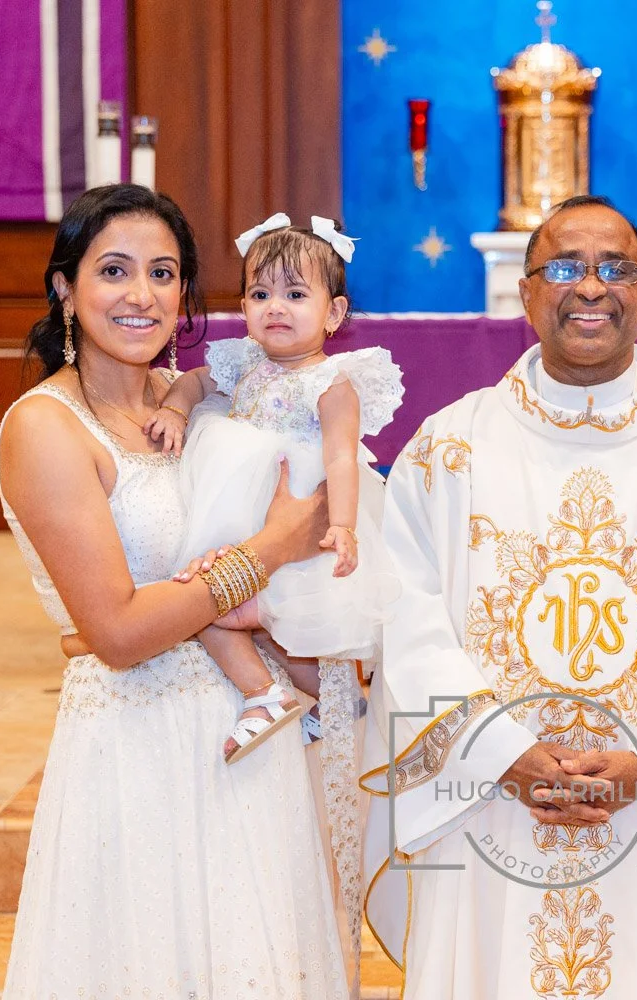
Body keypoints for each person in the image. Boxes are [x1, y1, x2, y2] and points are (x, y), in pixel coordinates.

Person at [359, 195, 637, 1000]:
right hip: (487, 803)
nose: (590, 288)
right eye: (564, 267)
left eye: (614, 268)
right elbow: (403, 616)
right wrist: (499, 753)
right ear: (526, 292)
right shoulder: (447, 452)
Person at [0, 184, 348, 998]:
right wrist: (267, 551)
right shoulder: (45, 428)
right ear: (65, 286)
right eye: (114, 270)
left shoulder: (205, 400)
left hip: (249, 731)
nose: (141, 295)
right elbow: (117, 635)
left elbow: (303, 522)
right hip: (136, 743)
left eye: (163, 273)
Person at [145, 212, 402, 966]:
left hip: (303, 535)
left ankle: (292, 693)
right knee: (201, 604)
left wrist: (345, 526)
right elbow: (191, 380)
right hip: (240, 521)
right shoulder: (238, 365)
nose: (274, 308)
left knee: (235, 609)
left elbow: (343, 461)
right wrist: (173, 408)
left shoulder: (334, 382)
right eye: (260, 292)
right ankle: (267, 694)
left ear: (336, 313)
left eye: (295, 293)